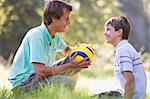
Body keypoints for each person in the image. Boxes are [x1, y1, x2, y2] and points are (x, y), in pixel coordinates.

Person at [8, 0, 91, 92]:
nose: (68, 23)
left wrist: (81, 50)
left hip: (38, 77)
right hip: (23, 84)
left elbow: (68, 51)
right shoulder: (37, 36)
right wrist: (70, 66)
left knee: (76, 60)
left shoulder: (55, 36)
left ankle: (63, 93)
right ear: (54, 18)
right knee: (67, 82)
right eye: (66, 19)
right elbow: (40, 72)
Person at [103, 16, 147, 99]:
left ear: (119, 32)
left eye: (108, 29)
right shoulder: (124, 48)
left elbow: (129, 80)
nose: (105, 33)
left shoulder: (123, 50)